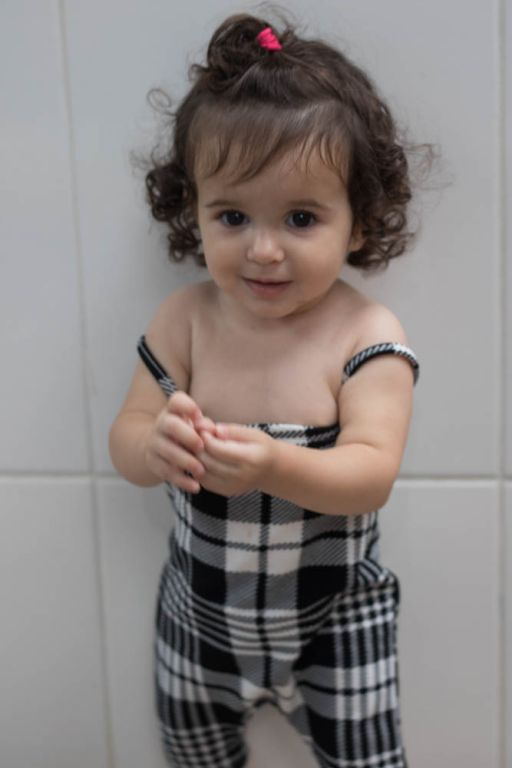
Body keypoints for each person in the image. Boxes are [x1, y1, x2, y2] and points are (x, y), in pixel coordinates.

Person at [109, 11, 430, 768]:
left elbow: (371, 474)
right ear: (193, 209)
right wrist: (153, 448)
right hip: (200, 620)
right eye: (232, 215)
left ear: (358, 222)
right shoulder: (186, 320)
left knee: (368, 759)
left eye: (300, 217)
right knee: (193, 751)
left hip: (335, 624)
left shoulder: (364, 334)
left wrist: (272, 466)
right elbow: (126, 435)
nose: (262, 249)